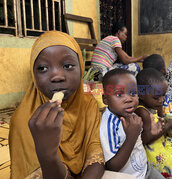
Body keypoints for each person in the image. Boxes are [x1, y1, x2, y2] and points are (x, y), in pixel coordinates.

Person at [9, 31, 105, 178]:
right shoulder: (24, 120)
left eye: (67, 66)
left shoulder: (88, 104)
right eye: (42, 68)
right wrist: (47, 155)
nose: (57, 76)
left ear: (80, 69)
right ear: (33, 76)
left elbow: (95, 152)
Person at [99, 69, 165, 179]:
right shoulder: (109, 125)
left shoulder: (131, 113)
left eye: (133, 93)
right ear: (105, 99)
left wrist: (154, 131)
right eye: (119, 94)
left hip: (145, 170)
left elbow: (139, 143)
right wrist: (131, 137)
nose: (129, 99)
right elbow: (112, 166)